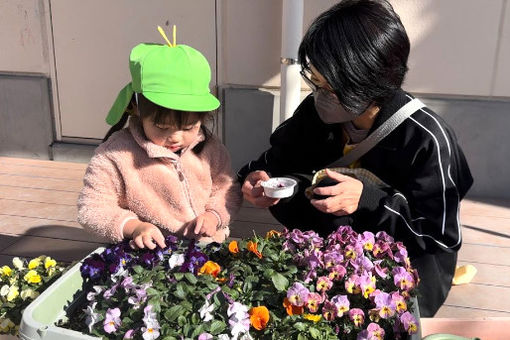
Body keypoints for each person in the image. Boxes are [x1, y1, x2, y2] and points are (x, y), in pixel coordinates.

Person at [238, 0, 473, 317]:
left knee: (387, 318)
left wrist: (369, 199)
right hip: (335, 249)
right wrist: (258, 178)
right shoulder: (316, 114)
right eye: (315, 82)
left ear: (369, 81)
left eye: (328, 86)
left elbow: (438, 235)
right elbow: (281, 159)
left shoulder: (426, 139)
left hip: (405, 260)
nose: (318, 94)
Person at [78, 42, 242, 250]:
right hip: (149, 256)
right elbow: (92, 209)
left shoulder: (209, 148)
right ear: (136, 109)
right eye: (162, 127)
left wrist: (214, 216)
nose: (175, 137)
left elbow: (227, 188)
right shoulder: (115, 155)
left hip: (209, 248)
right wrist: (134, 227)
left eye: (189, 127)